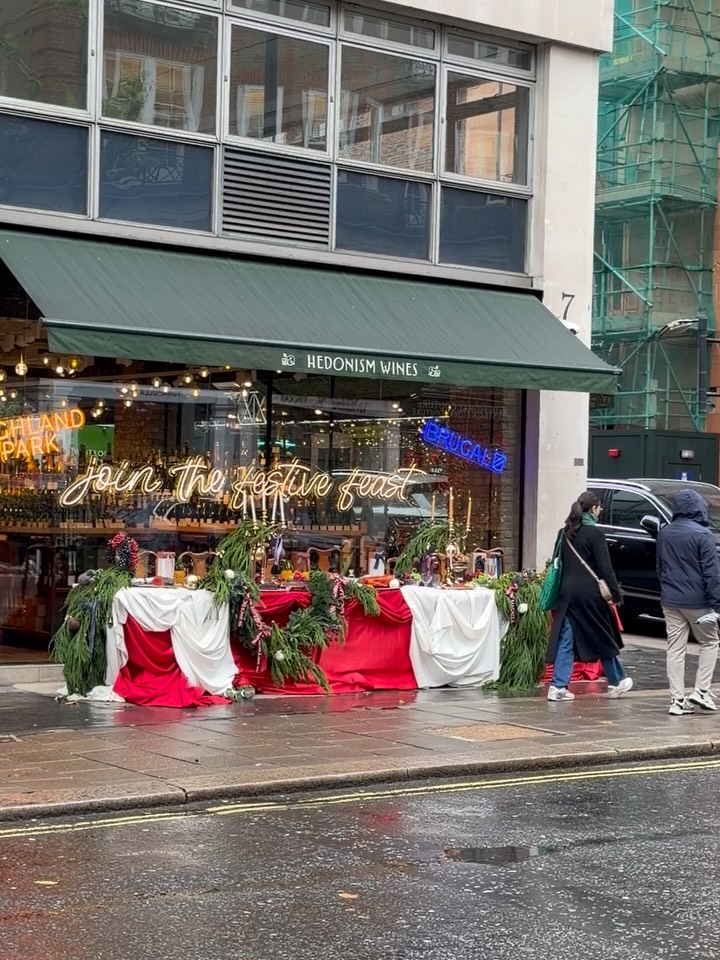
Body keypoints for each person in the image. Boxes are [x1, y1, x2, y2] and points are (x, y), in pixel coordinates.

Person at [546, 491, 631, 702]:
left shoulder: (564, 532)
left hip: (566, 593)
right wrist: (616, 593)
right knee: (601, 635)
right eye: (599, 508)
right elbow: (605, 568)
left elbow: (557, 562)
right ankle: (617, 680)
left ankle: (558, 686)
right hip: (589, 594)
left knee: (566, 639)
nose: (600, 511)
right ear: (593, 508)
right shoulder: (595, 533)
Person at [656, 488, 720, 716]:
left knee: (675, 648)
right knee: (710, 641)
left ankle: (677, 700)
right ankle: (701, 690)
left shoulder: (665, 533)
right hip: (698, 602)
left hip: (670, 599)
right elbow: (712, 574)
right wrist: (717, 604)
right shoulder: (703, 535)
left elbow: (660, 568)